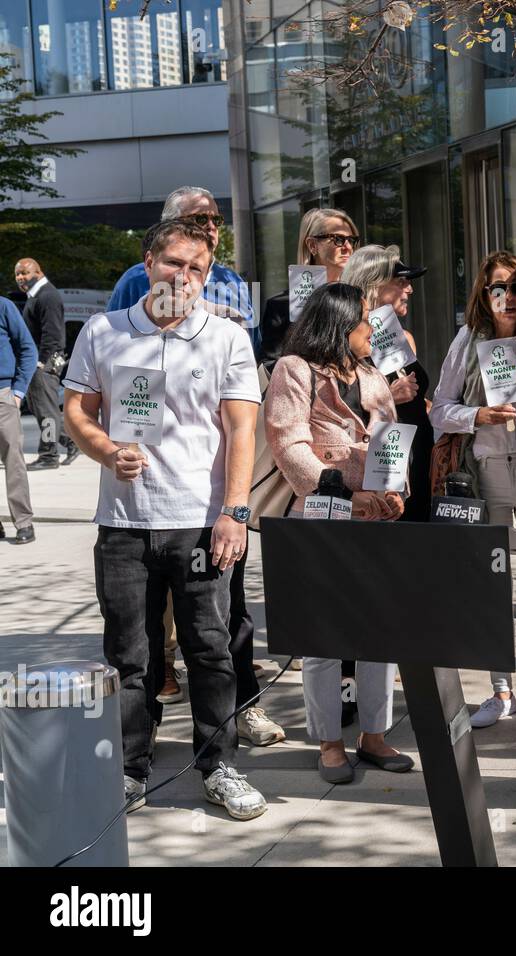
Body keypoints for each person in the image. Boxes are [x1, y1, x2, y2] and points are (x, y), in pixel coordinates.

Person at [62, 218, 268, 820]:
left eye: (197, 268)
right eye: (174, 262)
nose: (184, 276)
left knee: (211, 649)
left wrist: (233, 512)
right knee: (131, 654)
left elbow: (241, 430)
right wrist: (106, 451)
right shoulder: (104, 332)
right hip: (124, 523)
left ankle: (218, 764)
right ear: (148, 262)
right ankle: (129, 769)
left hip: (201, 522)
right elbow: (78, 408)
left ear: (209, 276)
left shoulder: (226, 337)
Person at [116, 199, 283, 747]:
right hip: (136, 505)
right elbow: (112, 376)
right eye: (196, 217)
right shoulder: (126, 298)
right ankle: (138, 744)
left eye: (213, 219)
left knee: (220, 626)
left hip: (207, 503)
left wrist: (234, 508)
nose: (208, 224)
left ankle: (229, 732)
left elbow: (240, 413)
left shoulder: (230, 292)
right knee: (142, 638)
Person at [264, 282, 414, 783]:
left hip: (379, 521)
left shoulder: (372, 375)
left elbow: (393, 440)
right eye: (366, 319)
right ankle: (330, 742)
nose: (374, 328)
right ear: (341, 323)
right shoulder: (295, 370)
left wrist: (397, 491)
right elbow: (289, 446)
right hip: (325, 515)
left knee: (381, 628)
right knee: (326, 637)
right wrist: (347, 494)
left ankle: (374, 735)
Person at [430, 251, 516, 729]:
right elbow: (438, 409)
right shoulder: (468, 340)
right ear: (484, 297)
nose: (508, 297)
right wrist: (477, 415)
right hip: (483, 474)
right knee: (491, 586)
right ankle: (500, 691)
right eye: (497, 288)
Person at [340, 244, 428, 520]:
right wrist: (387, 397)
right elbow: (335, 408)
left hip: (416, 459)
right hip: (377, 468)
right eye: (401, 282)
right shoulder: (346, 343)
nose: (409, 290)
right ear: (373, 285)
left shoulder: (403, 338)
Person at [108, 187, 254, 344]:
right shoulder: (135, 278)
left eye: (216, 220)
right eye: (201, 219)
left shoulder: (232, 280)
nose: (211, 226)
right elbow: (112, 336)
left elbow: (251, 346)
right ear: (170, 225)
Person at [258, 208, 360, 365]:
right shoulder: (281, 305)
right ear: (313, 245)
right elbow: (270, 364)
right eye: (338, 239)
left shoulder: (361, 299)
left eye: (351, 240)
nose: (348, 247)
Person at [14, 258, 74, 468]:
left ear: (38, 273)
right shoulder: (37, 295)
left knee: (46, 411)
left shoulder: (47, 296)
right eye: (17, 274)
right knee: (43, 407)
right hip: (41, 362)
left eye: (25, 273)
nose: (20, 278)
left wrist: (41, 362)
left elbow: (53, 333)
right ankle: (69, 440)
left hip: (44, 363)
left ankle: (49, 456)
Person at [0, 295, 36, 543]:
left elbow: (27, 348)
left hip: (3, 395)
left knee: (13, 461)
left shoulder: (4, 306)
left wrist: (18, 391)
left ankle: (24, 523)